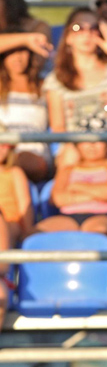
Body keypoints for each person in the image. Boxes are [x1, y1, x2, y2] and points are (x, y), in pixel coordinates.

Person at [43, 7, 107, 164]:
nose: (87, 34)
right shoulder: (55, 80)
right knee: (69, 158)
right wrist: (81, 149)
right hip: (73, 151)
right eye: (78, 28)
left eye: (94, 28)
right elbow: (58, 127)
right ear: (68, 37)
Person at [36, 140, 107, 240]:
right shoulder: (67, 170)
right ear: (77, 146)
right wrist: (97, 195)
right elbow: (58, 199)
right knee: (37, 234)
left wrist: (76, 186)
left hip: (104, 216)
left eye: (98, 141)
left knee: (97, 232)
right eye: (85, 141)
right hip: (68, 217)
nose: (91, 145)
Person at [0, 42, 52, 182]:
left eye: (22, 51)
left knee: (20, 163)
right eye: (11, 52)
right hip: (3, 149)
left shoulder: (45, 85)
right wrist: (25, 39)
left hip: (34, 152)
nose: (18, 58)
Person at [0, 125, 34, 327]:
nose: (1, 148)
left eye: (5, 144)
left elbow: (24, 208)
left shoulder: (13, 173)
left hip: (10, 226)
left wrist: (27, 233)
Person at [0, 0, 52, 77]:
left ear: (8, 1)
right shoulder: (29, 36)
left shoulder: (38, 27)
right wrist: (24, 40)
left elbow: (37, 63)